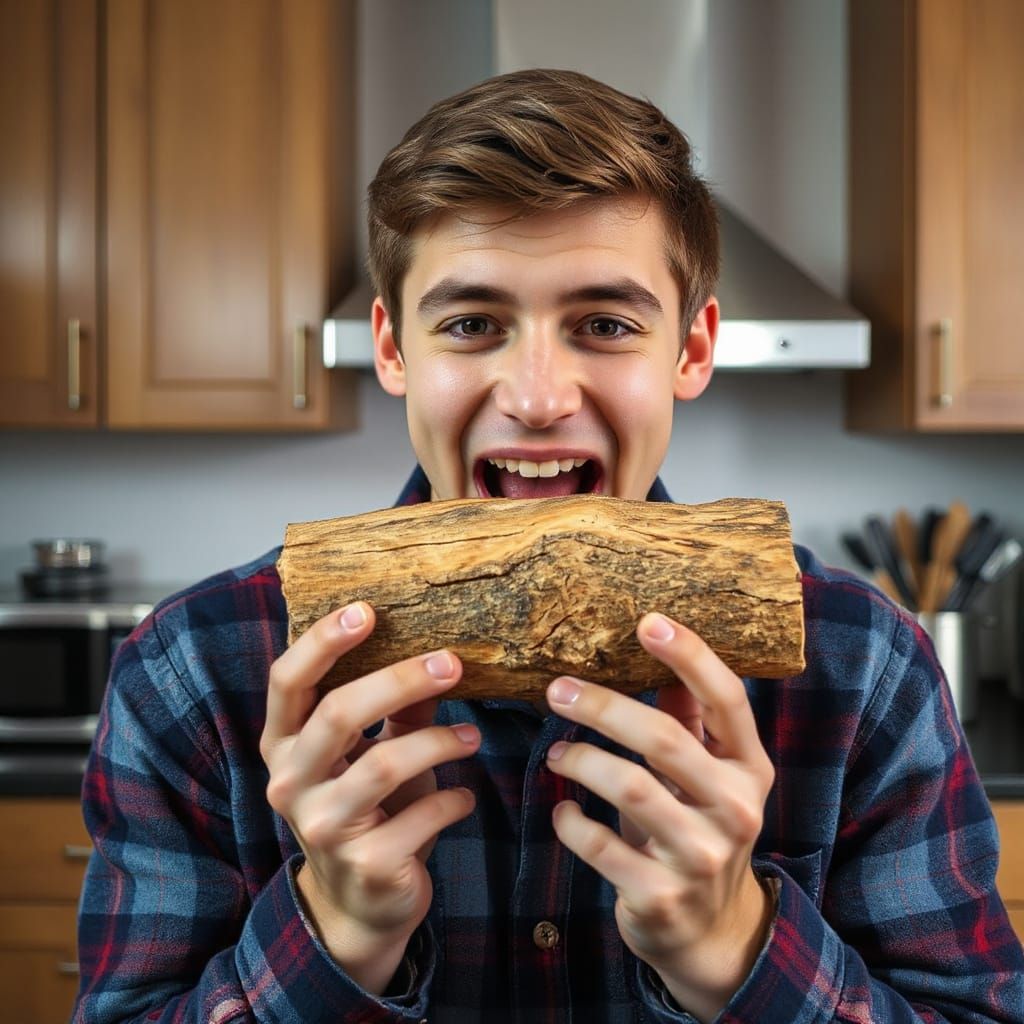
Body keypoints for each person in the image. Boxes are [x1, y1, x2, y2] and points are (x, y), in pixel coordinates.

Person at [73, 69, 1023, 1023]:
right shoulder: (191, 669)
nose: (536, 397)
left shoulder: (866, 667)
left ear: (691, 351)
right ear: (394, 350)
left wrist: (735, 950)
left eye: (604, 325)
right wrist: (336, 936)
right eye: (472, 325)